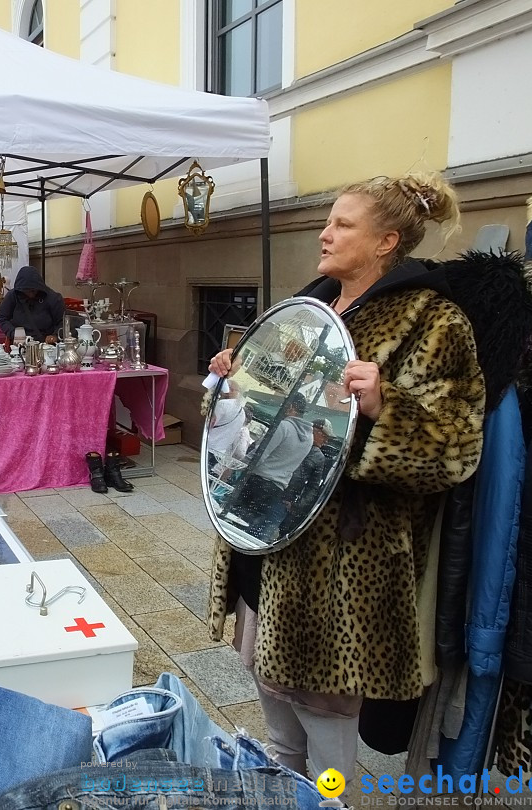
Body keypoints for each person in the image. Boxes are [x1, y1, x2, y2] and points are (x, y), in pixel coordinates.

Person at [207, 172, 485, 784]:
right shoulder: (308, 309)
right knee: (277, 725)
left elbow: (457, 447)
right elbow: (261, 422)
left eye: (342, 224)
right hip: (269, 538)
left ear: (387, 242)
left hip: (342, 568)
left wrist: (388, 407)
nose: (324, 233)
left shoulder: (432, 320)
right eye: (328, 221)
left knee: (327, 733)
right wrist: (235, 382)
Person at [229, 393, 313, 540]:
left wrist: (238, 466)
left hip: (257, 481)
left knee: (233, 521)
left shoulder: (284, 426)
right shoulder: (309, 438)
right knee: (250, 528)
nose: (282, 408)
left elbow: (261, 454)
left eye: (285, 405)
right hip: (277, 488)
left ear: (291, 407)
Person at [0, 265, 65, 343]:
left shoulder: (53, 298)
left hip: (46, 344)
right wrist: (14, 333)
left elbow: (63, 322)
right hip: (20, 343)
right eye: (27, 291)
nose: (31, 295)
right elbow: (2, 319)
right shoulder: (13, 296)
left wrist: (55, 336)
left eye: (33, 291)